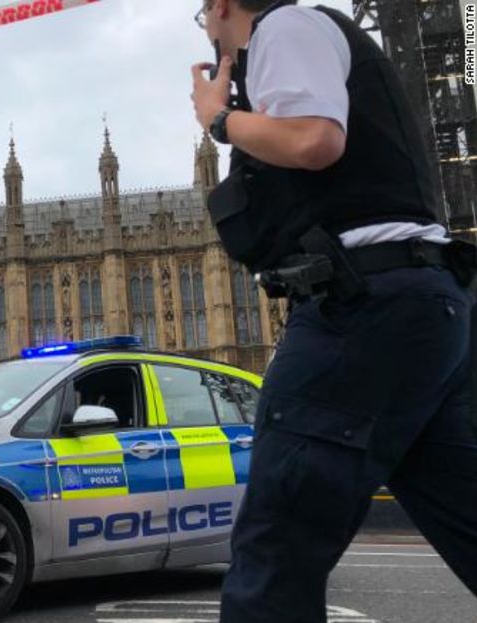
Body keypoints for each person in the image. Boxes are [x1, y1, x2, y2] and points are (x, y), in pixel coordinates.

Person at [191, 1, 477, 621]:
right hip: (426, 314)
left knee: (273, 557)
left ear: (221, 7)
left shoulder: (285, 28)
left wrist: (220, 120)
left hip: (361, 313)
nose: (207, 32)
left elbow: (316, 139)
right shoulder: (314, 46)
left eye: (203, 18)